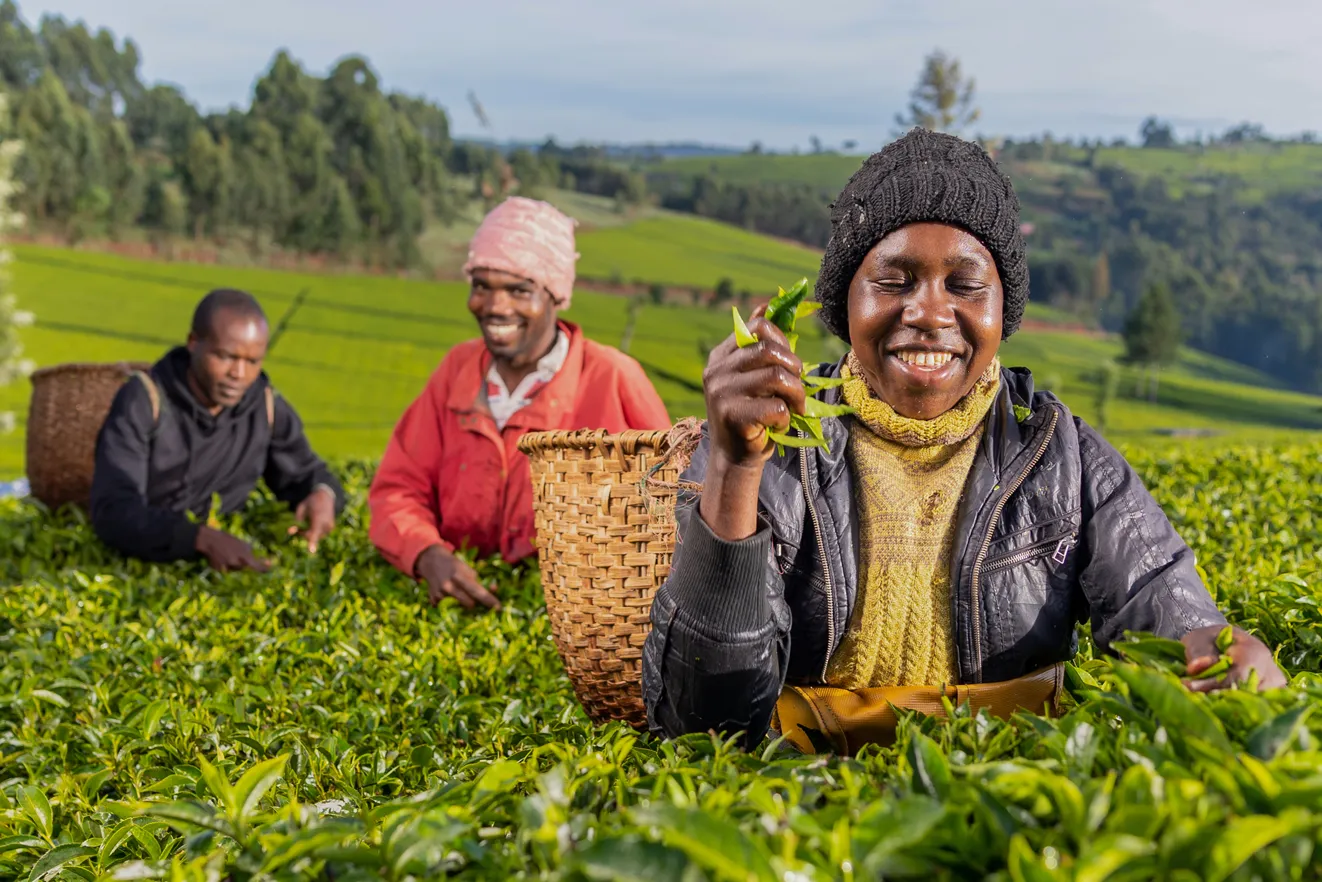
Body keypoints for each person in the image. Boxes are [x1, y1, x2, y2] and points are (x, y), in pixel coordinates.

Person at [642, 128, 1286, 753]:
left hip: (1003, 795)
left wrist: (1214, 647)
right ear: (846, 304)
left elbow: (1161, 596)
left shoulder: (1062, 458)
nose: (927, 312)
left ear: (1003, 308)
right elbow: (702, 726)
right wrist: (732, 466)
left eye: (965, 284)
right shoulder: (776, 445)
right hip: (804, 807)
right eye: (893, 281)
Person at [369, 197, 672, 611]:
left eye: (518, 290)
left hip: (584, 622)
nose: (495, 307)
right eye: (481, 286)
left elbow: (673, 511)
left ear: (554, 294)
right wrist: (427, 554)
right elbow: (398, 489)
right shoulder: (456, 370)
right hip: (458, 612)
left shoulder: (612, 379)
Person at [90, 289, 345, 571]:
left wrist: (323, 495)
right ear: (193, 342)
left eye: (252, 362)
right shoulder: (145, 400)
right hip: (145, 558)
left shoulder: (265, 406)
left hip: (221, 560)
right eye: (225, 357)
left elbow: (306, 473)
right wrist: (200, 539)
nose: (239, 374)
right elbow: (113, 512)